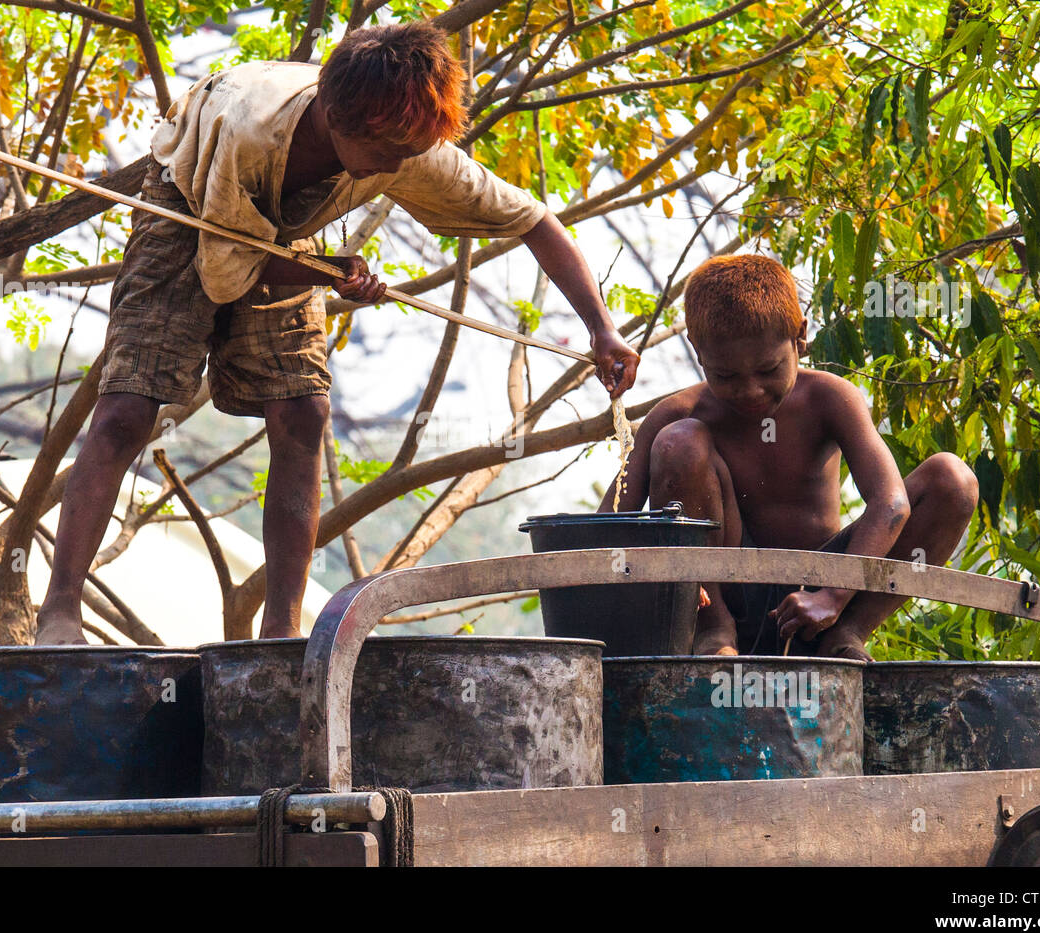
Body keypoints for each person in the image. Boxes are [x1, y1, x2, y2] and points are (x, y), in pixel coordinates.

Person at [35, 21, 639, 645]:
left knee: (303, 415)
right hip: (191, 203)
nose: (400, 166)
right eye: (388, 155)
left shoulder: (404, 140)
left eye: (409, 153)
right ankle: (58, 610)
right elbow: (224, 264)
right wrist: (330, 273)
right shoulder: (251, 132)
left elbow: (534, 221)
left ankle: (281, 631)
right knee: (127, 411)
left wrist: (603, 330)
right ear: (338, 119)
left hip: (286, 231)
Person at [598, 254, 978, 660]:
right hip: (721, 600)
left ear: (800, 337)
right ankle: (715, 632)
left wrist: (832, 595)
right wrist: (668, 582)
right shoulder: (680, 412)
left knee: (952, 480)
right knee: (680, 441)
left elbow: (892, 502)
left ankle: (846, 634)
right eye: (726, 376)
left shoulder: (829, 397)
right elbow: (605, 529)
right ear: (698, 350)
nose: (750, 391)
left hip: (823, 595)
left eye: (768, 370)